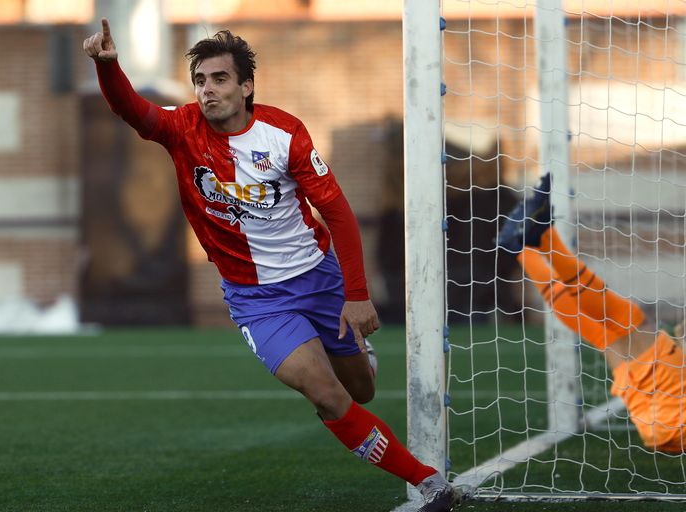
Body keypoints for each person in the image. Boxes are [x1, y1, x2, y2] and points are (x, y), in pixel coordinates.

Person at [83, 19, 458, 511]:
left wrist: (357, 293)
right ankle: (429, 483)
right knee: (325, 394)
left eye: (219, 79)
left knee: (360, 391)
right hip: (257, 299)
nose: (207, 90)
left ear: (246, 86)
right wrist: (107, 66)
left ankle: (359, 358)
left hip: (317, 276)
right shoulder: (182, 130)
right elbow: (133, 111)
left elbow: (339, 211)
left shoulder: (285, 134)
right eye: (200, 81)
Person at [497, 173, 685, 453]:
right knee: (614, 328)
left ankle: (527, 246)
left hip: (674, 418)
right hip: (658, 423)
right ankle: (536, 240)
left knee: (626, 328)